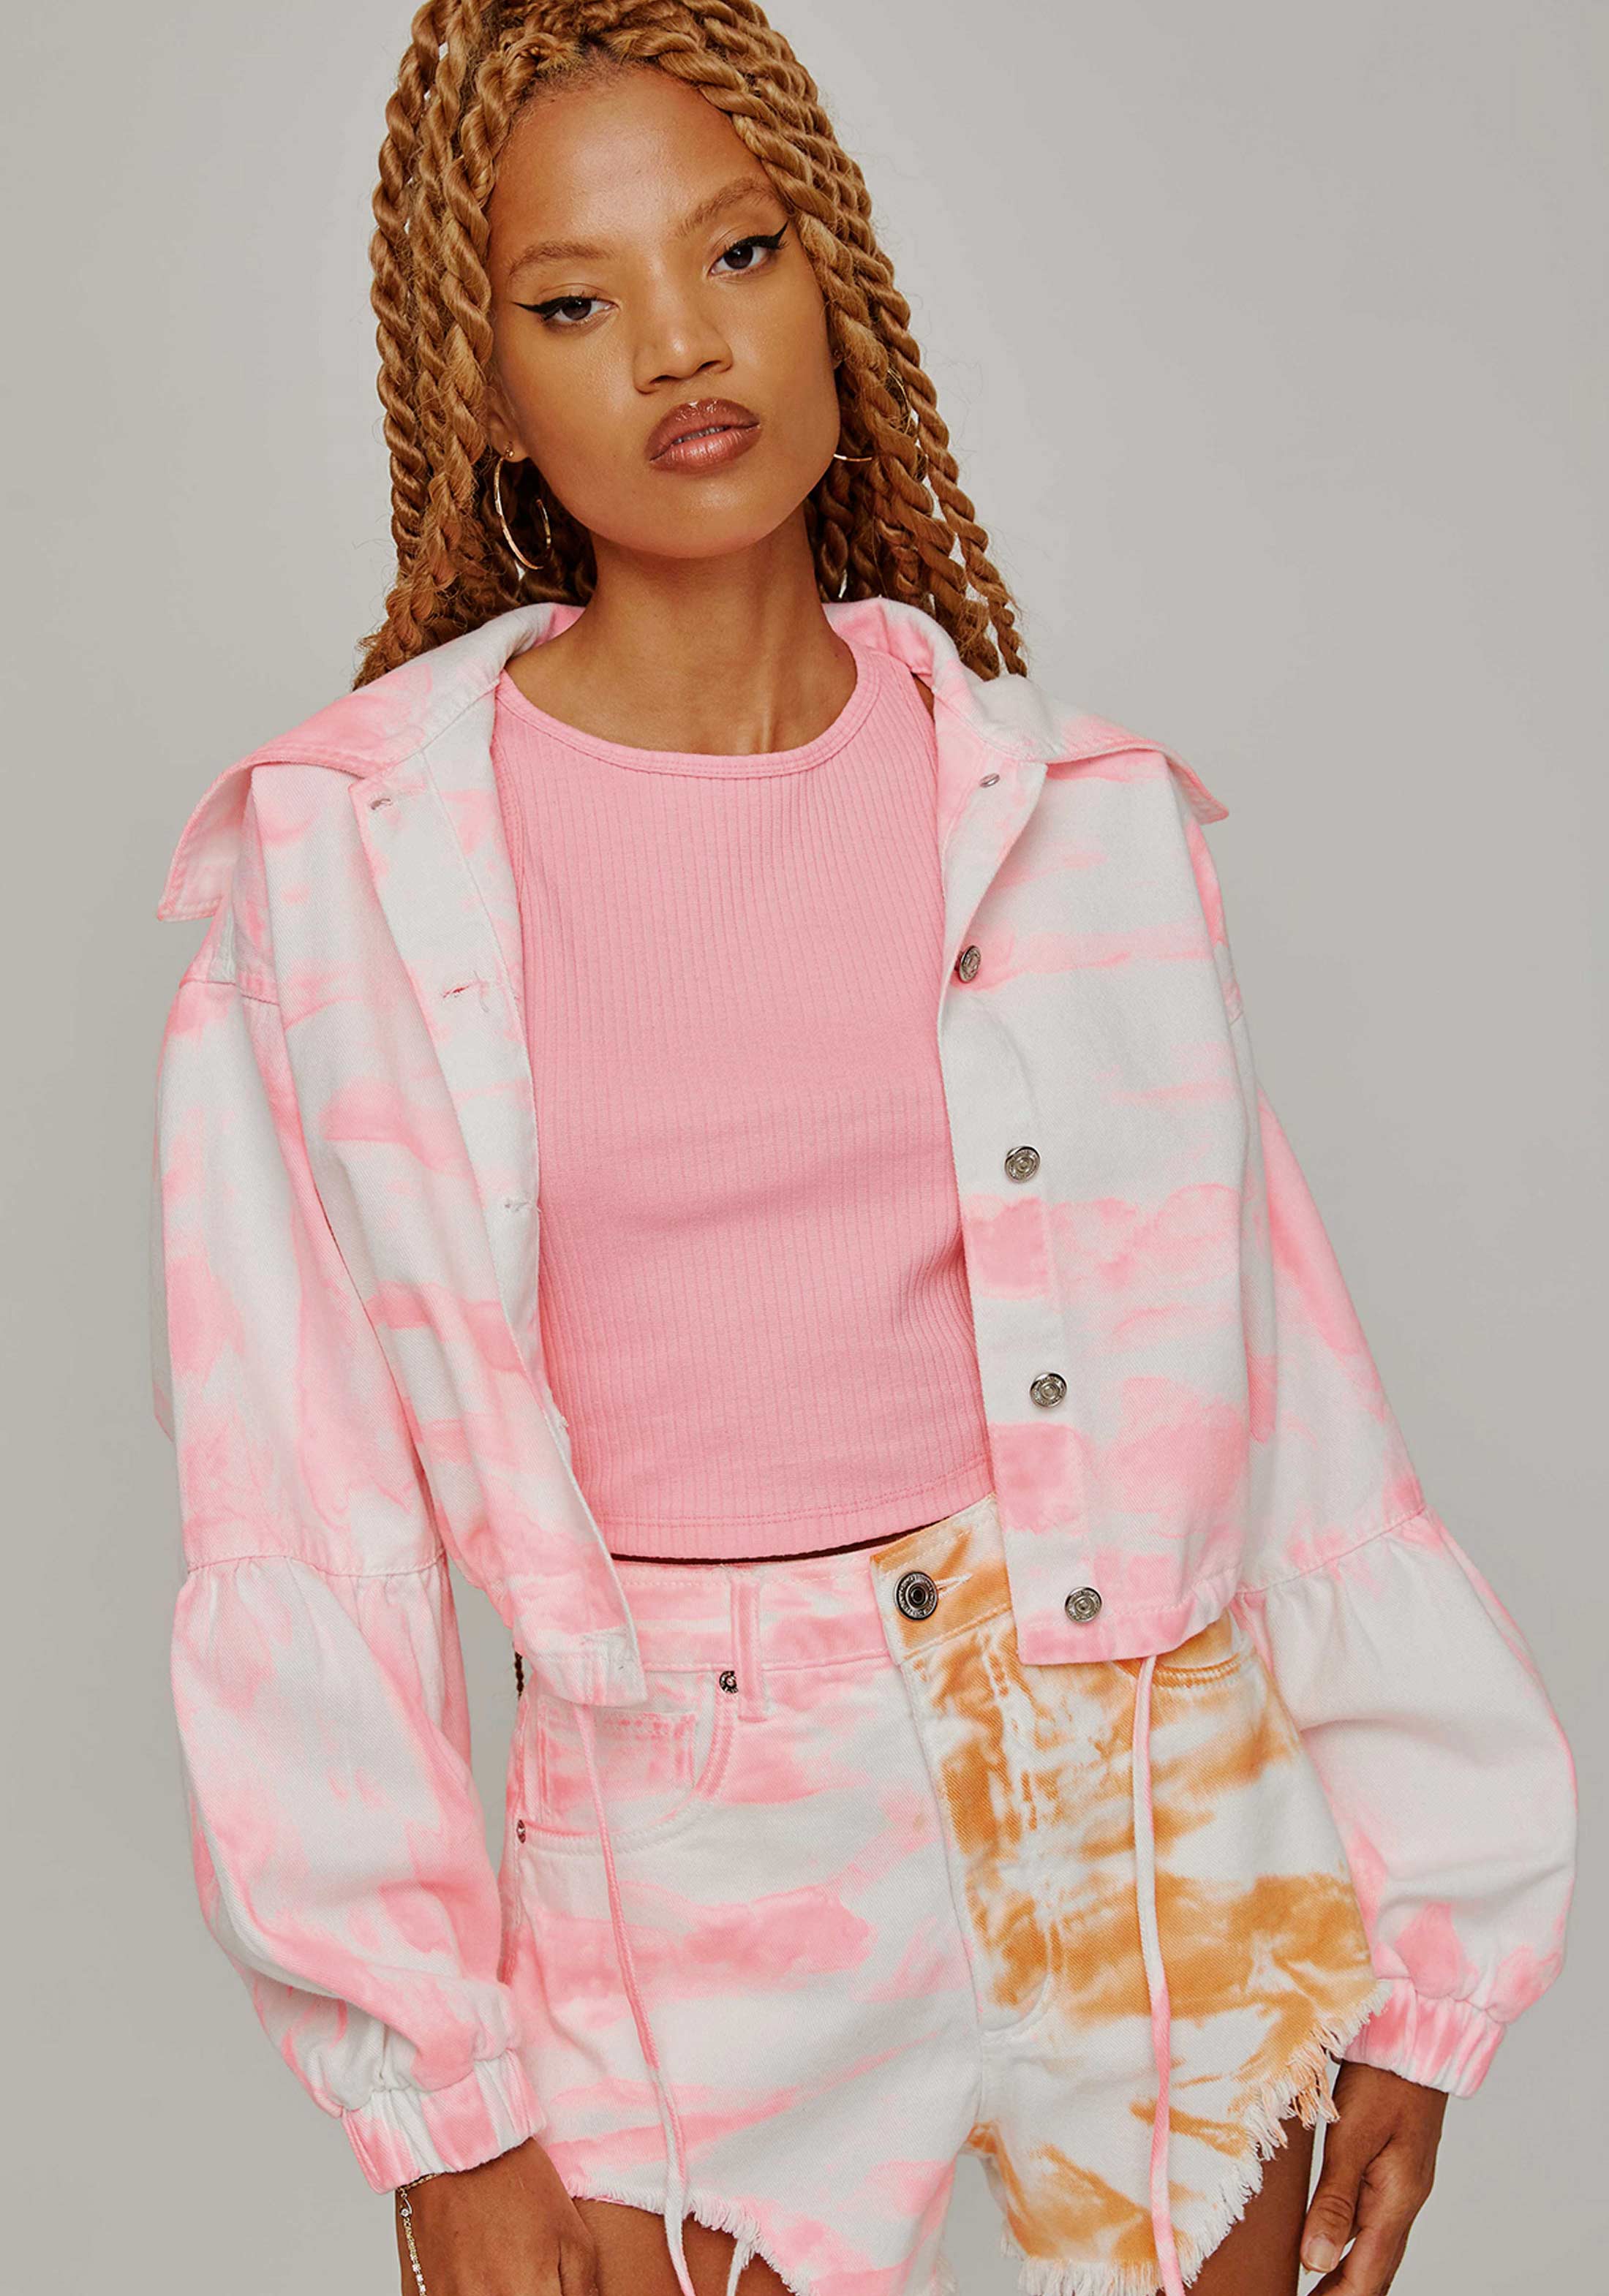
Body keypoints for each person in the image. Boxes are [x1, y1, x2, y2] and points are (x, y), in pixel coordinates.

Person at [146, 7, 1576, 2295]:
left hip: (1149, 1799)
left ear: (838, 286)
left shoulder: (1074, 818)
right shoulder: (346, 872)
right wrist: (441, 2100)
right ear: (483, 381)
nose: (680, 344)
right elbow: (303, 1511)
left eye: (741, 251)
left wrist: (1430, 1935)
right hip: (693, 1853)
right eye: (575, 300)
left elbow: (1287, 1402)